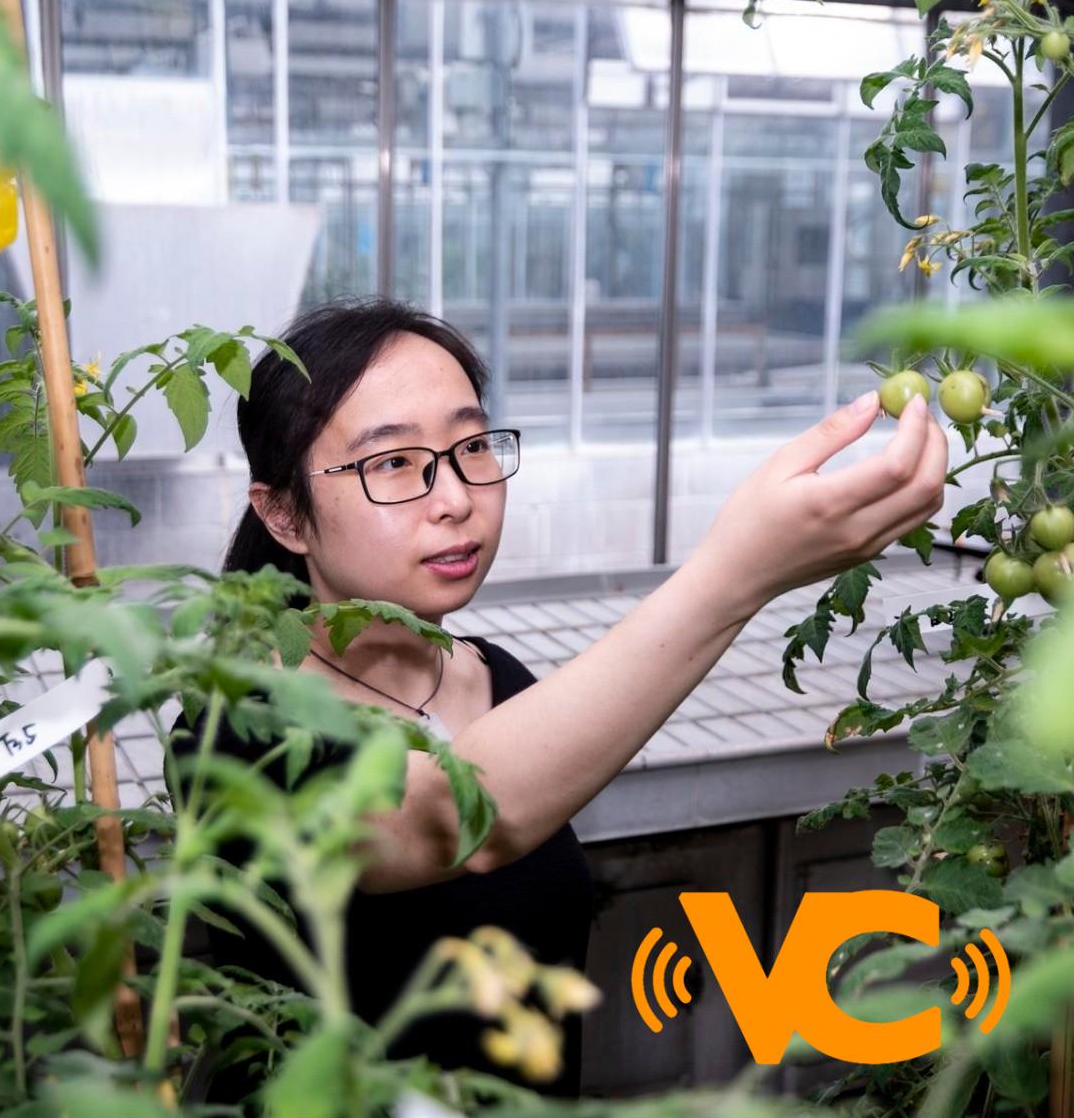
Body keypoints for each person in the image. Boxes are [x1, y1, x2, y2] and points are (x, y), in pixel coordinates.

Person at [171, 296, 948, 1103]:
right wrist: (735, 574)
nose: (455, 497)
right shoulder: (242, 719)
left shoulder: (496, 679)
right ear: (285, 514)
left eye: (472, 445)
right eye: (394, 462)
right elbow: (447, 819)